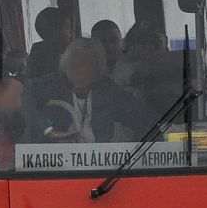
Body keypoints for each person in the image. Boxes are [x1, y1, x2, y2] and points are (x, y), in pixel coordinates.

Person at [26, 37, 154, 143]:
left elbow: (146, 119)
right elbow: (25, 101)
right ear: (65, 65)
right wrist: (49, 131)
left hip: (97, 166)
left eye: (87, 65)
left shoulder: (107, 91)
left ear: (98, 69)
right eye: (75, 65)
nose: (81, 71)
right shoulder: (46, 85)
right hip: (50, 166)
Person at [27, 7, 71, 79]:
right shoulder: (50, 54)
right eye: (67, 27)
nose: (71, 31)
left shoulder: (36, 51)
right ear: (56, 31)